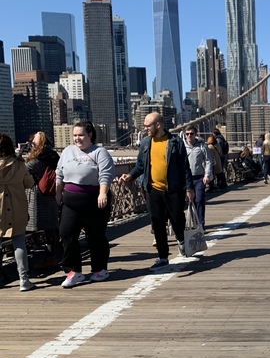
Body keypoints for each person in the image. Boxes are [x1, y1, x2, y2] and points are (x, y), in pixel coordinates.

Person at [120, 113, 194, 270]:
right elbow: (140, 165)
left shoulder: (175, 142)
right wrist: (130, 175)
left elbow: (184, 167)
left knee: (177, 220)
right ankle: (162, 257)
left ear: (158, 125)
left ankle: (181, 241)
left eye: (148, 126)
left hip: (172, 189)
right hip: (152, 189)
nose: (145, 128)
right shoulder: (146, 143)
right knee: (157, 223)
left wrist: (189, 188)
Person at [55, 122, 116, 287]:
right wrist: (58, 192)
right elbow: (59, 173)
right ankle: (74, 271)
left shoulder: (99, 152)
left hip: (93, 200)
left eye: (80, 135)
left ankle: (100, 269)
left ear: (90, 135)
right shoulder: (68, 151)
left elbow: (106, 174)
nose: (77, 138)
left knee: (95, 236)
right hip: (70, 201)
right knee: (66, 233)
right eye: (75, 135)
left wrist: (103, 193)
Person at [0, 133, 35, 291]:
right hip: (17, 209)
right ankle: (24, 279)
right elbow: (29, 183)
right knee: (19, 241)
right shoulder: (20, 164)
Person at [25, 131, 60, 269]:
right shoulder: (52, 155)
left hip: (40, 197)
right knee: (51, 228)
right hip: (50, 195)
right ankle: (52, 256)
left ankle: (50, 257)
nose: (31, 144)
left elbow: (23, 170)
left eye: (33, 142)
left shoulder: (39, 159)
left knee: (48, 229)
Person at [183, 125, 214, 228]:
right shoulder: (182, 147)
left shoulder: (201, 146)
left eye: (191, 134)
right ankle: (194, 222)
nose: (189, 136)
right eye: (187, 134)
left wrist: (207, 175)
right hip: (187, 179)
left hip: (199, 177)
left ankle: (200, 224)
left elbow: (208, 160)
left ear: (195, 135)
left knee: (199, 199)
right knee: (190, 200)